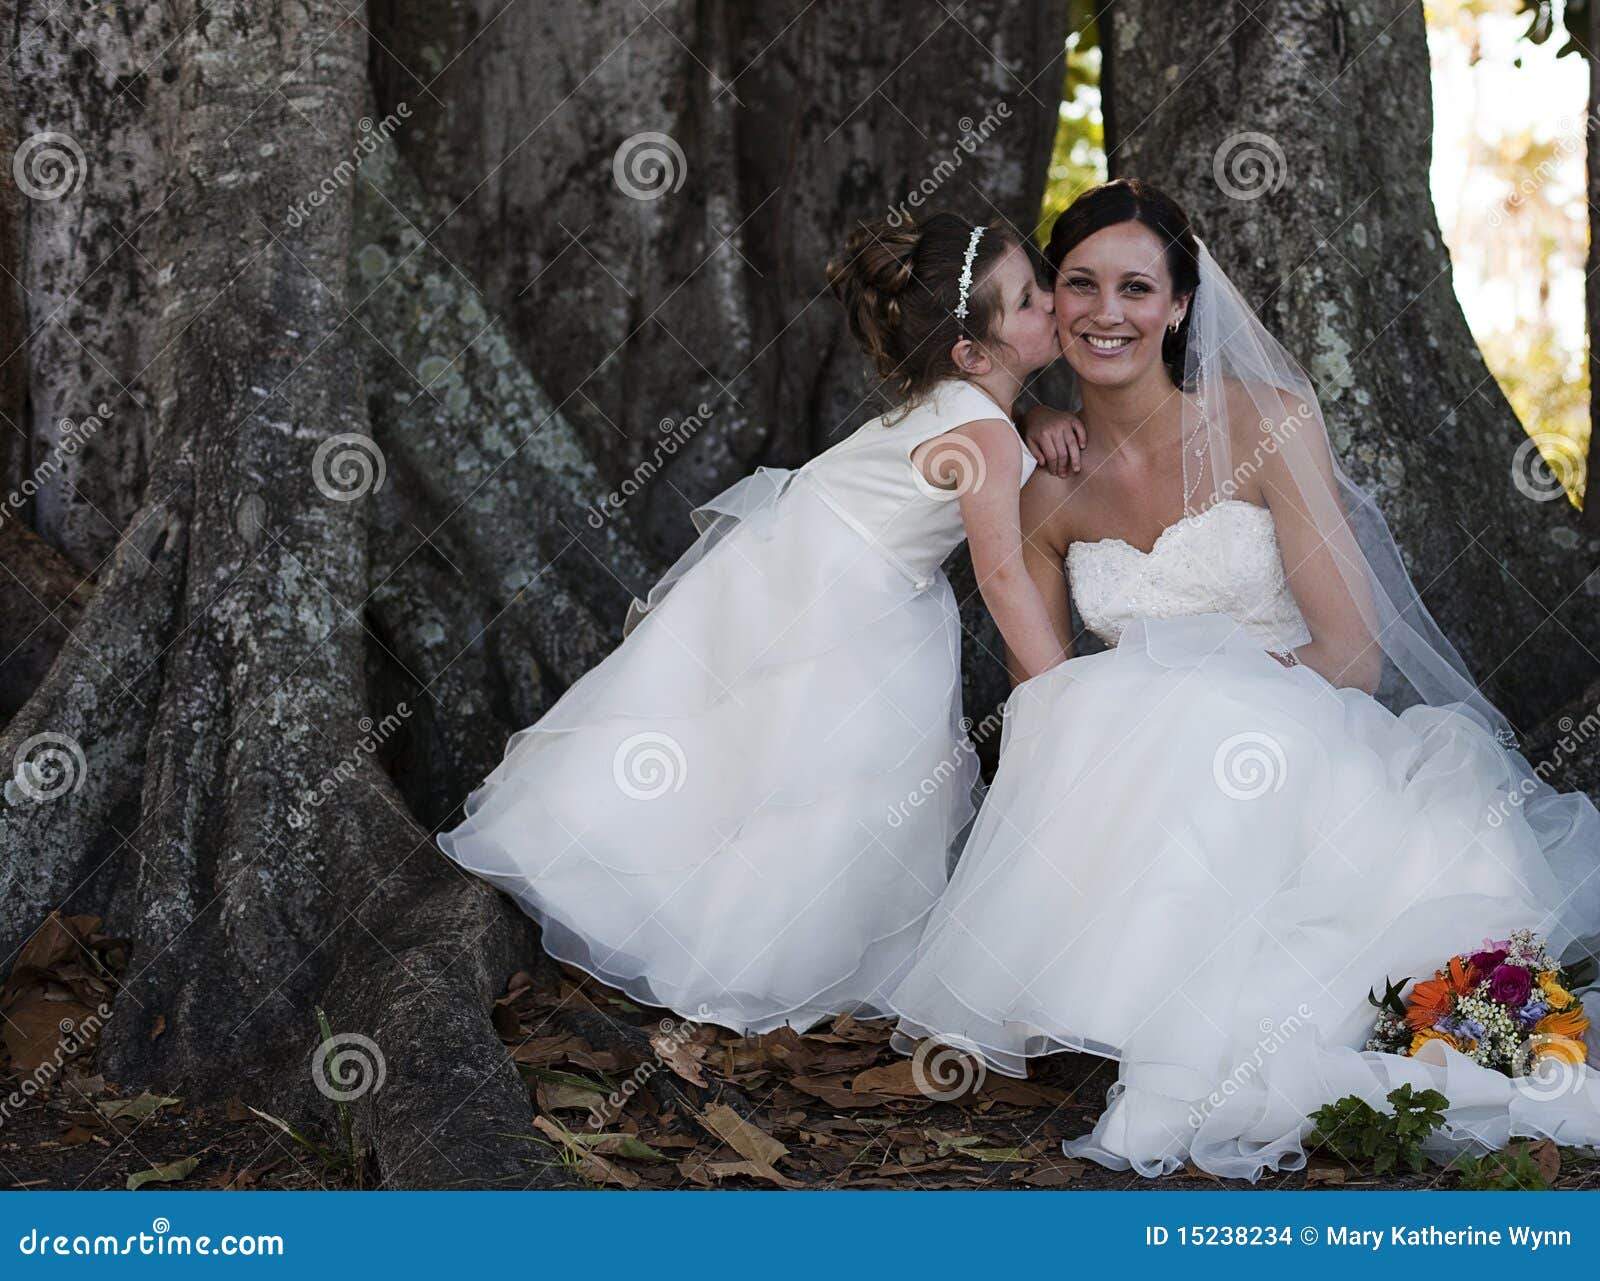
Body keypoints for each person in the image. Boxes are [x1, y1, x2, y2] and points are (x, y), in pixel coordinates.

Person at [884, 178, 1600, 1180]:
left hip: (1302, 744)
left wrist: (1211, 693)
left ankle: (1212, 1048)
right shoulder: (1040, 488)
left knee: (1211, 726)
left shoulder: (1267, 423)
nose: (1105, 311)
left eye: (1137, 287)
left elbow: (1350, 651)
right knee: (1151, 724)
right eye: (1080, 284)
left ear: (1180, 305)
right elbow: (1042, 694)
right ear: (1049, 303)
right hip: (1142, 784)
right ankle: (1161, 1019)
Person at [436, 211, 1080, 1037]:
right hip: (852, 602)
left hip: (792, 565)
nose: (1051, 302)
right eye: (1027, 300)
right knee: (820, 776)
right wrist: (1062, 691)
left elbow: (982, 431)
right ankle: (752, 956)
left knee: (744, 755)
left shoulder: (966, 404)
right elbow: (1001, 573)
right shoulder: (985, 430)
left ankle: (648, 882)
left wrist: (1033, 416)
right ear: (971, 353)